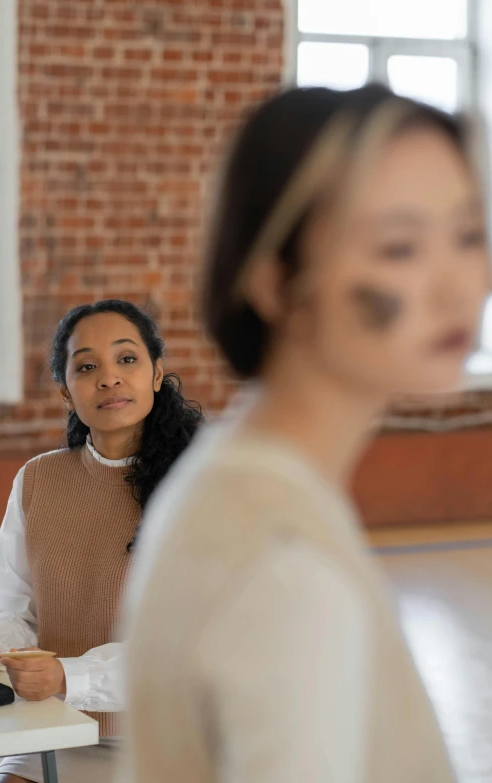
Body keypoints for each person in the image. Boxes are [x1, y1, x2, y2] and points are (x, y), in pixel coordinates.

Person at [121, 85, 490, 782]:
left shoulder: (236, 481)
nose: (460, 287)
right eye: (400, 247)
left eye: (470, 235)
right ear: (275, 279)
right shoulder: (286, 566)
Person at [0, 299, 203, 783]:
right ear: (64, 390)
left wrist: (68, 676)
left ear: (157, 374)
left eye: (127, 359)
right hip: (57, 730)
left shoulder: (203, 484)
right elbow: (9, 603)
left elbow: (186, 645)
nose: (109, 378)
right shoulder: (38, 479)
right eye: (87, 366)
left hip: (177, 743)